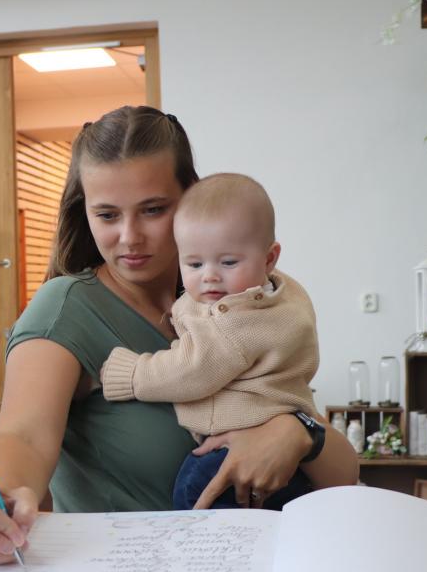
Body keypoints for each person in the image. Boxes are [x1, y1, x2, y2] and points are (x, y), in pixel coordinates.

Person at [0, 106, 358, 565]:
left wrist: (297, 430)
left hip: (262, 570)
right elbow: (23, 435)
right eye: (107, 215)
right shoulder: (65, 309)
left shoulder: (234, 301)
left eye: (153, 210)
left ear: (191, 200)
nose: (130, 237)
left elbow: (343, 470)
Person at [98, 173, 321, 509]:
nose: (210, 276)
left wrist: (131, 374)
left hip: (235, 448)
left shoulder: (236, 323)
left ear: (269, 258)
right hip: (284, 442)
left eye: (228, 262)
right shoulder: (283, 295)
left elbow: (191, 370)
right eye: (194, 263)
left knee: (193, 495)